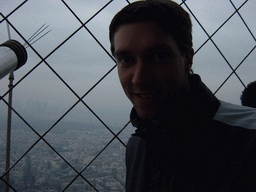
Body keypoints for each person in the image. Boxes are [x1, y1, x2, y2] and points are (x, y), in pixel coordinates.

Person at [109, 0, 256, 191]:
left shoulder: (250, 142)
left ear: (187, 58)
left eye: (158, 56)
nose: (139, 79)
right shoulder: (137, 147)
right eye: (126, 60)